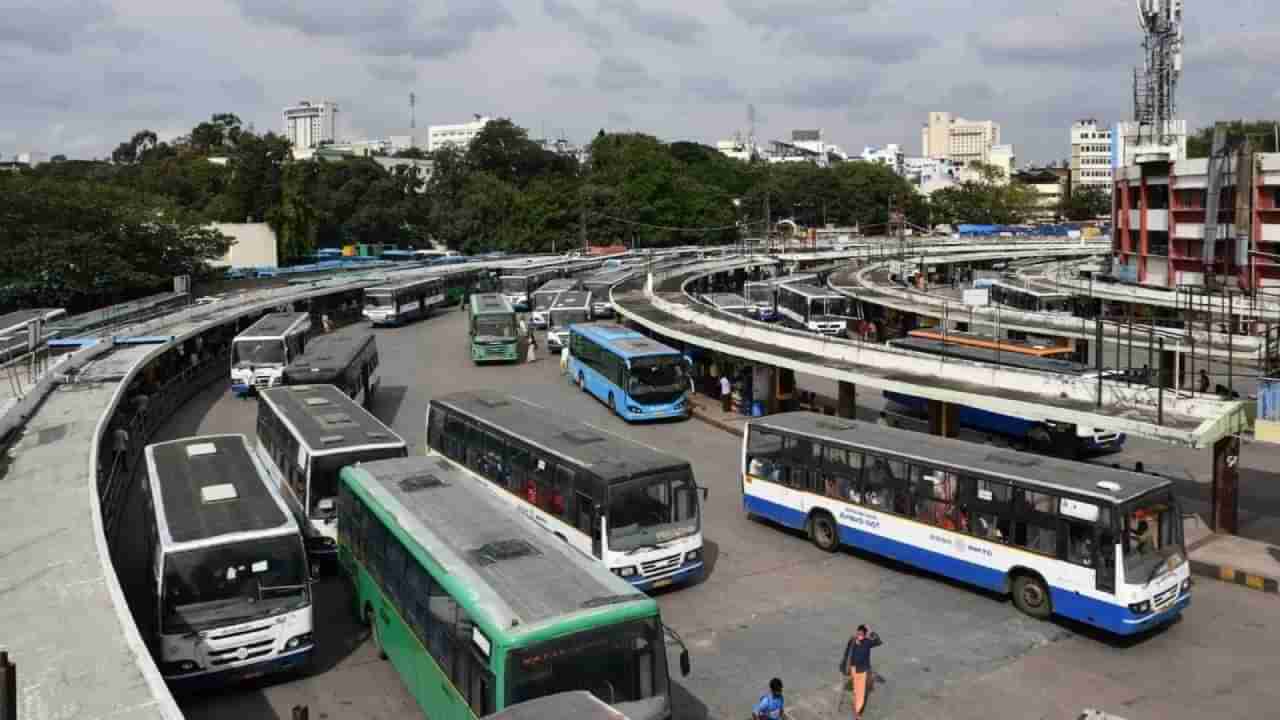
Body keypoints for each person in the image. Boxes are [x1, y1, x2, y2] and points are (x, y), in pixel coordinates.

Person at [840, 625, 883, 720]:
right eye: (858, 633)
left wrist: (871, 631)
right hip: (853, 669)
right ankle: (857, 712)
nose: (859, 636)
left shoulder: (868, 642)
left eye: (861, 634)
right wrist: (844, 667)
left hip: (862, 671)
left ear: (864, 635)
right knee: (857, 692)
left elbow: (879, 641)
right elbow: (846, 653)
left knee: (859, 693)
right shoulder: (852, 640)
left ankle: (857, 713)